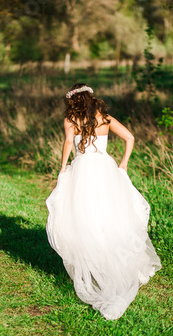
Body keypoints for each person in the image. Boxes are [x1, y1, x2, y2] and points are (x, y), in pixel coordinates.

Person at [45, 83, 162, 320]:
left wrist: (62, 169)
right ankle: (115, 264)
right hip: (105, 169)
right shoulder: (106, 118)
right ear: (91, 98)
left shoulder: (71, 120)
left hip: (83, 172)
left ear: (73, 101)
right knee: (111, 216)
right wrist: (123, 164)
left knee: (86, 218)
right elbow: (130, 137)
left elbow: (69, 144)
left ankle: (96, 267)